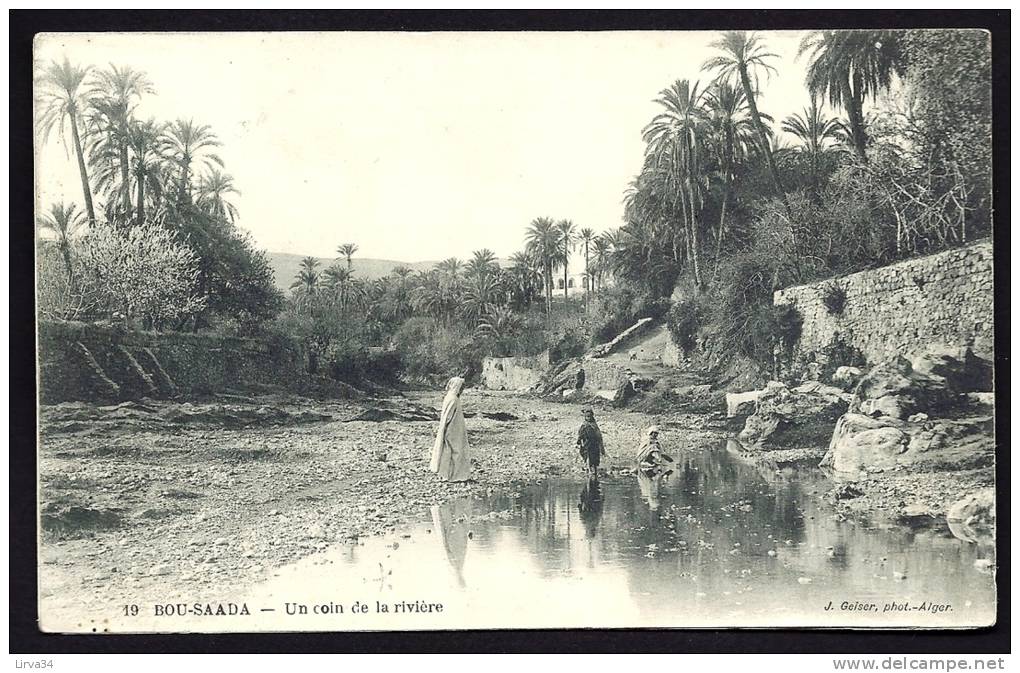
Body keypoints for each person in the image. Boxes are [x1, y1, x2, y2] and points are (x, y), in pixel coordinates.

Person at [430, 376, 471, 482]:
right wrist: (445, 429)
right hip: (452, 429)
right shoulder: (453, 399)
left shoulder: (450, 397)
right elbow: (447, 416)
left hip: (454, 428)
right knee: (455, 451)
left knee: (450, 450)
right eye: (461, 388)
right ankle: (454, 475)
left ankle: (447, 474)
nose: (462, 390)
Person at [576, 407, 606, 475]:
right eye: (587, 416)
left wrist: (601, 446)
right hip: (587, 443)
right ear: (585, 417)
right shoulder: (584, 425)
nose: (588, 418)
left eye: (590, 416)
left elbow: (599, 435)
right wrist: (579, 441)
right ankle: (588, 469)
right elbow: (580, 434)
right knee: (587, 456)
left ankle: (594, 470)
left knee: (595, 458)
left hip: (594, 444)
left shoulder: (594, 425)